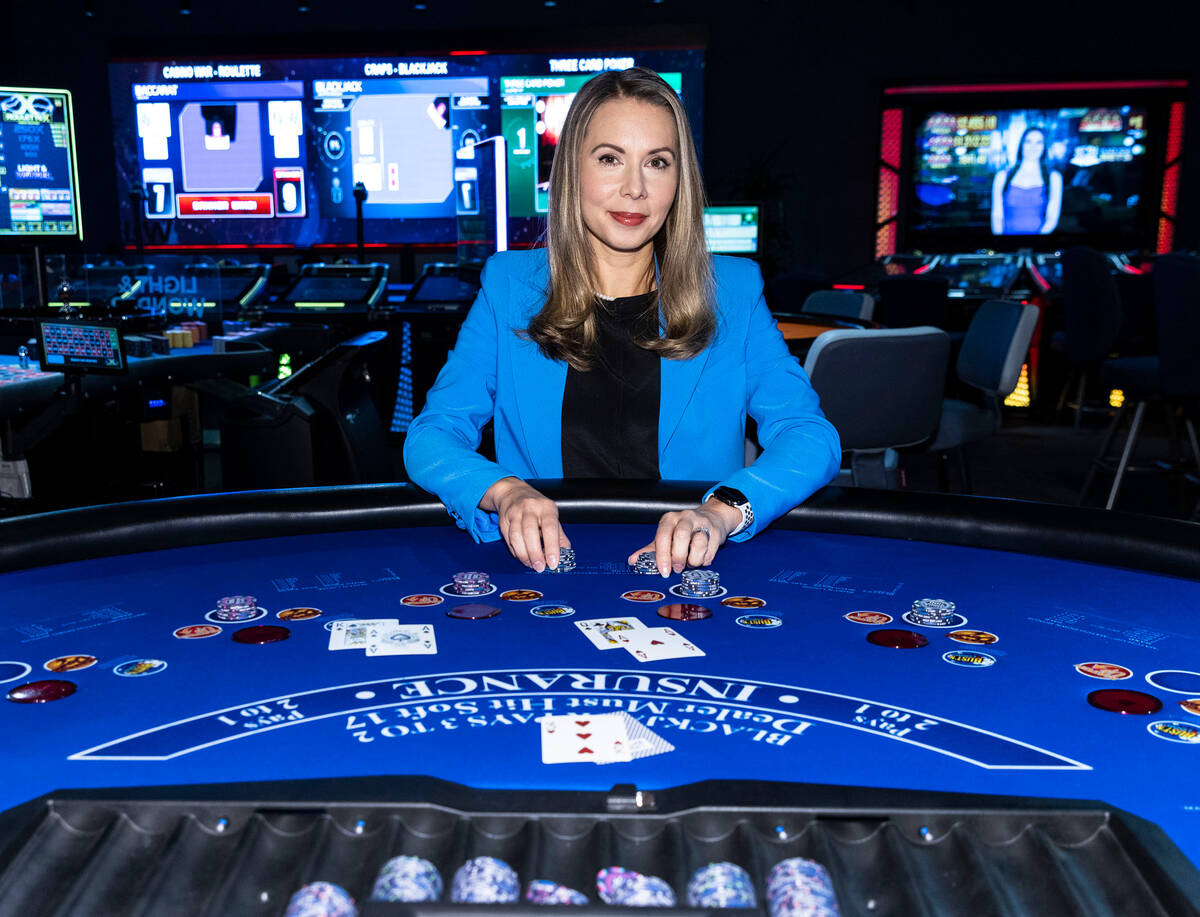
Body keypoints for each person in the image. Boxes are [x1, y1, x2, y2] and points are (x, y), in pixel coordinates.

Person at [404, 68, 840, 576]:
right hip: (543, 573)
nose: (635, 189)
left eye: (657, 163)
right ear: (572, 171)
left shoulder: (733, 291)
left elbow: (810, 435)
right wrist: (506, 493)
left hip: (688, 575)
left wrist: (721, 513)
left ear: (679, 180)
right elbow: (432, 435)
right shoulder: (509, 286)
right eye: (610, 159)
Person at [991, 126, 1063, 235]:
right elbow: (997, 216)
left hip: (1039, 247)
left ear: (1044, 147)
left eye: (1039, 142)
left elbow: (1052, 219)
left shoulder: (1054, 178)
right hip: (1006, 248)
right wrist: (1001, 246)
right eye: (1028, 141)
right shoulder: (1002, 176)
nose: (1033, 147)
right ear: (1022, 145)